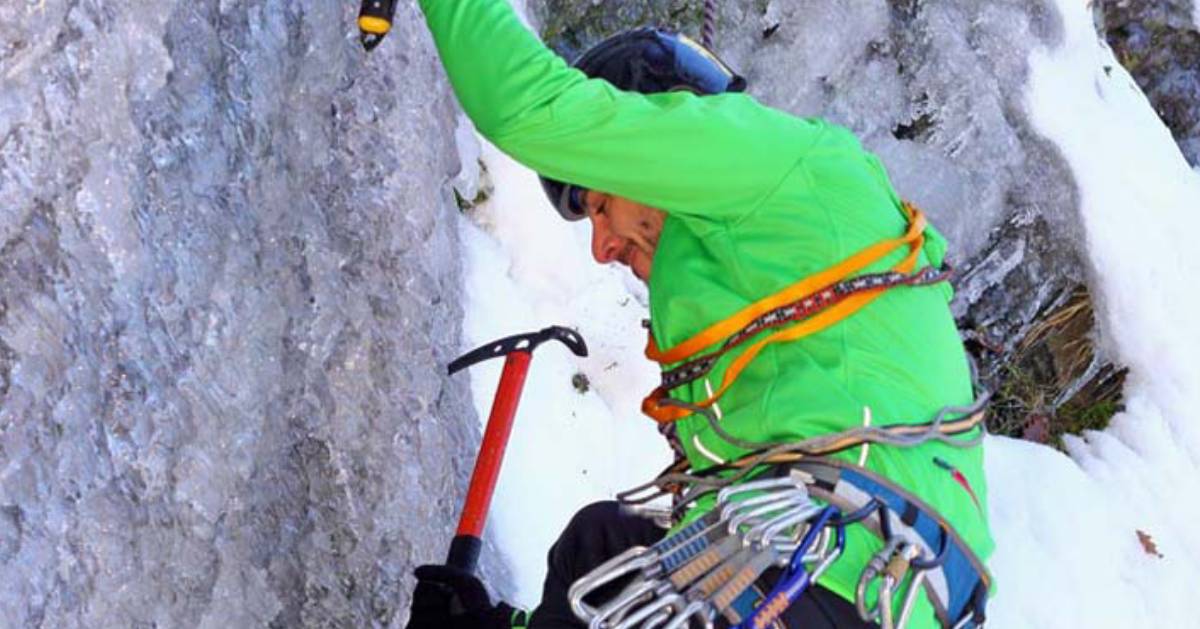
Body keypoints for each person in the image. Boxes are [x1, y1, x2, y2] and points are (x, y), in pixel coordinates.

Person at [405, 1, 994, 628]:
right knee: (599, 547)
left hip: (839, 570)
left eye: (600, 204)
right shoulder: (777, 255)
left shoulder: (771, 160)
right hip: (840, 580)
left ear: (666, 134)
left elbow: (526, 109)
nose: (602, 247)